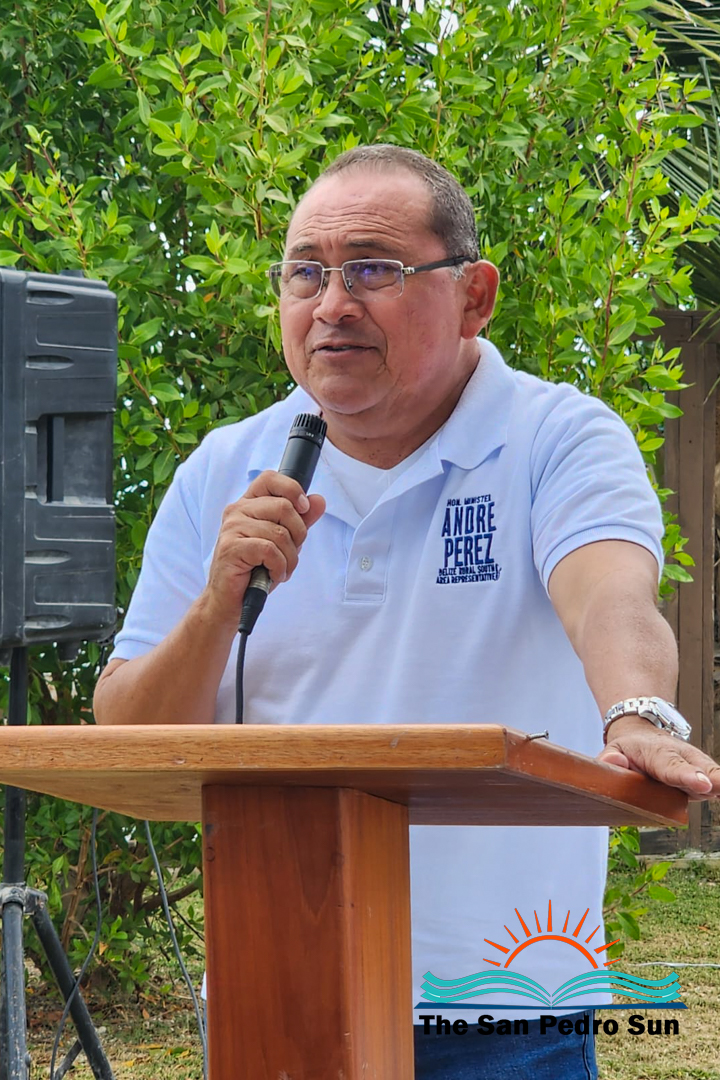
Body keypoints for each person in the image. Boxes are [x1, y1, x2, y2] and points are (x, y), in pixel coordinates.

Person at [94, 144, 720, 1079]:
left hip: (505, 1010)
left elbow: (609, 597)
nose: (332, 304)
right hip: (275, 994)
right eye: (306, 272)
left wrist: (636, 713)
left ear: (474, 296)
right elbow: (128, 729)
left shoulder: (557, 438)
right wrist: (218, 606)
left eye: (372, 270)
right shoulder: (223, 469)